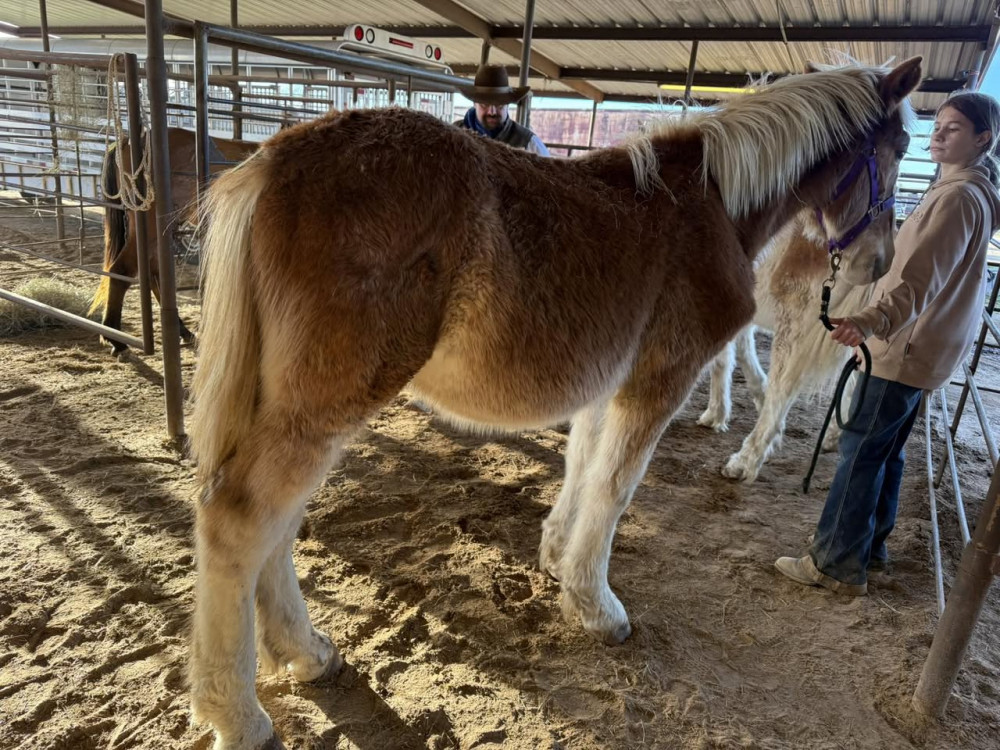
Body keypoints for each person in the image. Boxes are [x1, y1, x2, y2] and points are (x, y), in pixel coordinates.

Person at [775, 91, 1000, 596]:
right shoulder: (964, 192)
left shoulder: (958, 198)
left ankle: (835, 564)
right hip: (921, 345)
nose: (938, 134)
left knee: (860, 450)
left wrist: (870, 320)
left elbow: (920, 278)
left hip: (905, 345)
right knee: (885, 450)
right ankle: (869, 545)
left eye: (954, 128)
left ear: (982, 140)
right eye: (938, 125)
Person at [456, 63, 550, 156]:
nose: (492, 112)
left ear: (508, 105)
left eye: (499, 105)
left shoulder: (529, 144)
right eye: (484, 105)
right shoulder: (453, 136)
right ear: (474, 103)